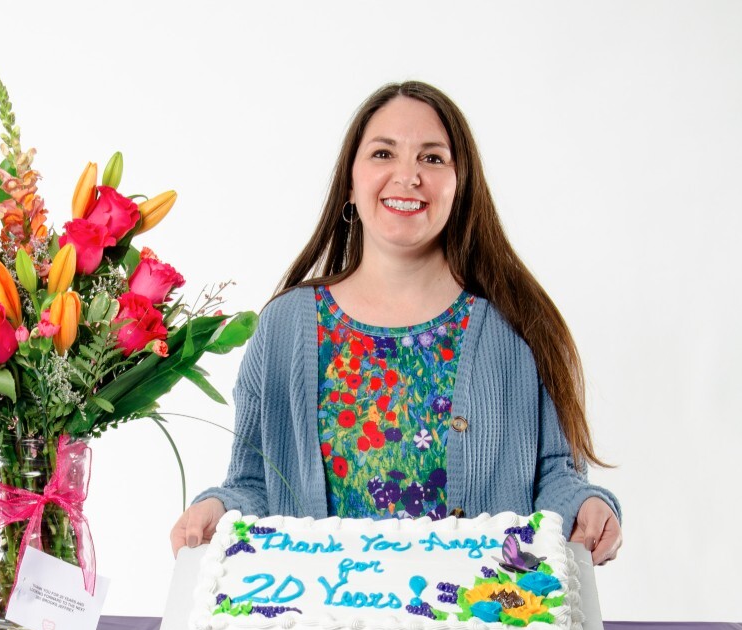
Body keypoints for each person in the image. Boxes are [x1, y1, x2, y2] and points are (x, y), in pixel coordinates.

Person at [170, 81, 622, 565]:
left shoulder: (518, 325)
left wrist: (587, 505)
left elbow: (557, 474)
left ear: (460, 183)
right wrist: (219, 509)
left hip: (477, 626)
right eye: (384, 153)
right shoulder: (283, 327)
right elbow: (254, 486)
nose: (407, 176)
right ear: (350, 181)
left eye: (432, 158)